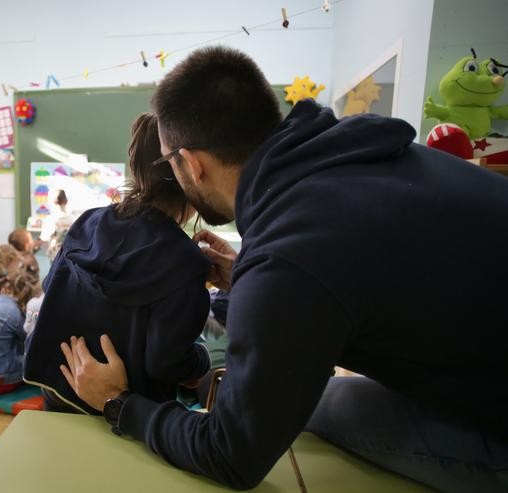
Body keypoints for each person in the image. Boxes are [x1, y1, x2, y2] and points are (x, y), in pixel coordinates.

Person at [57, 46, 508, 493]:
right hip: (477, 363)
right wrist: (247, 279)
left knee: (310, 413)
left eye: (169, 163)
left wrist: (119, 404)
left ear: (192, 165)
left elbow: (230, 455)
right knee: (320, 404)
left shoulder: (288, 255)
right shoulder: (354, 155)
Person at [24, 113, 211, 414]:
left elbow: (52, 287)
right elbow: (169, 362)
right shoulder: (186, 261)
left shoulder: (88, 221)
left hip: (58, 389)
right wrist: (201, 361)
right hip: (123, 411)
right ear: (191, 171)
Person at [39, 189, 75, 262]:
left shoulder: (50, 219)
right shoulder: (73, 219)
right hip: (70, 255)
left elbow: (44, 238)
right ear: (66, 201)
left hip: (55, 255)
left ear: (53, 202)